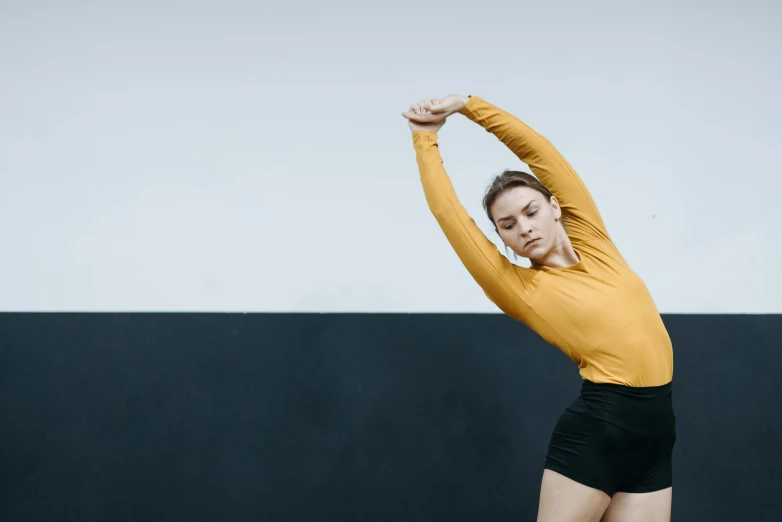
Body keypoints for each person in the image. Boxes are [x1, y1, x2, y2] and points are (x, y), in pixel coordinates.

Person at [402, 94, 676, 522]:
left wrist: (468, 106)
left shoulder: (594, 240)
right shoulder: (521, 288)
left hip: (657, 436)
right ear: (501, 237)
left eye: (530, 212)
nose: (524, 228)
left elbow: (539, 151)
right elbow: (449, 215)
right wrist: (425, 138)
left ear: (554, 207)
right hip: (599, 433)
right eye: (507, 226)